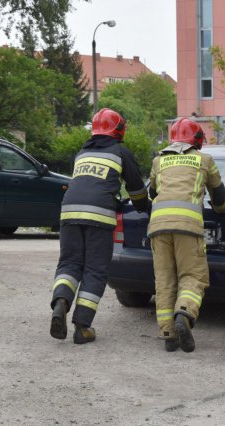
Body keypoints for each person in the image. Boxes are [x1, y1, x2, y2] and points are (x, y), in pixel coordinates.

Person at [50, 108, 149, 344]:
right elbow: (136, 189)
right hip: (99, 217)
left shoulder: (82, 153)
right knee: (94, 269)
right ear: (119, 130)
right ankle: (82, 327)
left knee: (70, 263)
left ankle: (61, 301)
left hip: (69, 212)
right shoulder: (120, 152)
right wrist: (144, 207)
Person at [148, 118, 225, 352]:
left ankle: (168, 334)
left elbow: (152, 191)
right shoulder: (204, 159)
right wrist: (222, 209)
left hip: (158, 227)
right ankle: (184, 312)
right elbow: (218, 194)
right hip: (188, 227)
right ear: (198, 139)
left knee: (164, 280)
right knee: (194, 276)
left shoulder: (158, 161)